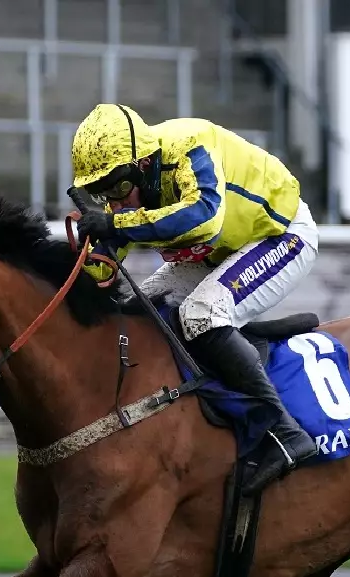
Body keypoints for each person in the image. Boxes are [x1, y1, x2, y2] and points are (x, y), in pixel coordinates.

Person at [68, 102, 320, 494]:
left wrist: (116, 224)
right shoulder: (121, 196)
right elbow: (102, 274)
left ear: (145, 163)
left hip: (280, 234)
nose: (115, 202)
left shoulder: (189, 144)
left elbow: (205, 218)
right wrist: (94, 245)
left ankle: (284, 431)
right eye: (101, 193)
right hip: (219, 252)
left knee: (200, 314)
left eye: (118, 188)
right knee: (137, 314)